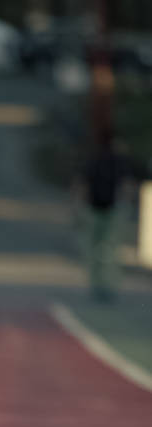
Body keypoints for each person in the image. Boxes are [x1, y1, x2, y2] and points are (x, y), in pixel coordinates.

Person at [77, 129, 134, 303]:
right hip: (112, 210)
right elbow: (127, 186)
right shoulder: (119, 161)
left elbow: (82, 185)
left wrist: (78, 207)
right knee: (111, 250)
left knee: (94, 250)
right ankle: (109, 287)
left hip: (94, 209)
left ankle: (97, 286)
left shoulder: (93, 159)